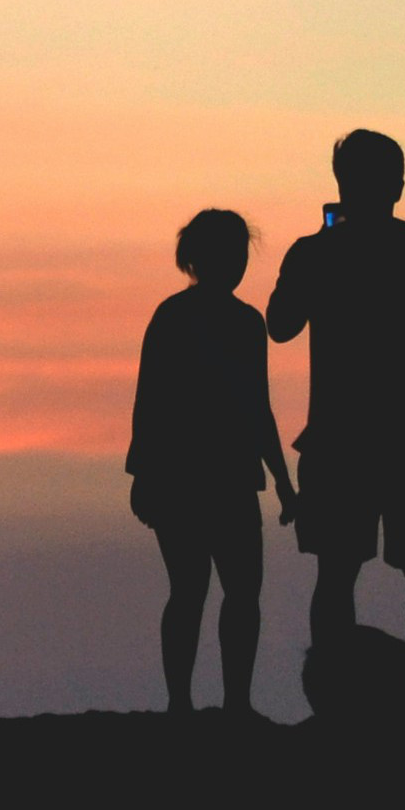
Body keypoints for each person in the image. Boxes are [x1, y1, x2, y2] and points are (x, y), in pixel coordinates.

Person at [267, 130, 405, 703]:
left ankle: (334, 702)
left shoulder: (316, 252)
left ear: (341, 183)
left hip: (342, 440)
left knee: (337, 573)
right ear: (399, 186)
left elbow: (279, 323)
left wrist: (326, 250)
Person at [128, 210, 298, 715]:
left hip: (217, 479)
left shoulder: (236, 323)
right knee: (205, 592)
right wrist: (143, 475)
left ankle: (226, 703)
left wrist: (283, 483)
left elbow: (256, 407)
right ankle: (199, 702)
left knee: (223, 593)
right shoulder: (192, 319)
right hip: (195, 479)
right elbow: (153, 401)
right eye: (232, 253)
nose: (238, 264)